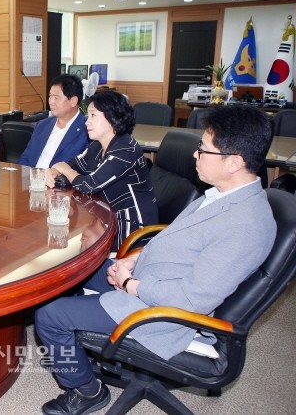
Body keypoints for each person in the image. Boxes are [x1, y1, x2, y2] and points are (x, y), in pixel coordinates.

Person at [34, 104, 277, 415]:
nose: (195, 154)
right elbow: (170, 238)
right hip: (148, 277)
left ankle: (86, 391)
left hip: (163, 312)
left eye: (203, 149)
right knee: (69, 271)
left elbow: (193, 299)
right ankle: (72, 348)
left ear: (234, 162)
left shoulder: (246, 224)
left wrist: (131, 284)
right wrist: (133, 260)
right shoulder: (221, 194)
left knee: (49, 315)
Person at [45, 91, 158, 250]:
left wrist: (62, 167)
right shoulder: (98, 145)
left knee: (79, 252)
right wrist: (55, 170)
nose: (87, 122)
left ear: (113, 118)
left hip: (131, 230)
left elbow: (89, 185)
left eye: (93, 115)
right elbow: (74, 164)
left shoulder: (126, 150)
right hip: (106, 217)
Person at [18, 74, 89, 168]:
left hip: (58, 177)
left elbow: (82, 169)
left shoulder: (87, 131)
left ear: (73, 101)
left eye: (56, 98)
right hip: (32, 176)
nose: (51, 102)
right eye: (50, 96)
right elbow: (25, 159)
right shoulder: (42, 125)